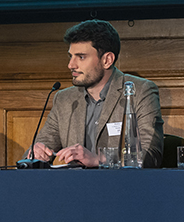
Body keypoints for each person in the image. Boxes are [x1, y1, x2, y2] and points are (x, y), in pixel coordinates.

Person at [29, 19, 164, 168]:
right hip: (74, 187)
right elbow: (37, 150)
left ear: (107, 60)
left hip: (122, 187)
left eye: (81, 57)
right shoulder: (64, 99)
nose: (71, 65)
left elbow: (151, 156)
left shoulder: (140, 91)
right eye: (70, 56)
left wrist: (99, 160)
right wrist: (36, 154)